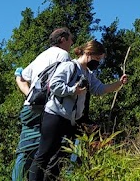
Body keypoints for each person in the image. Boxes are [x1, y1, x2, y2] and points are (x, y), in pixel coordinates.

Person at [29, 40, 127, 181]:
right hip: (54, 116)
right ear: (88, 53)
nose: (98, 63)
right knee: (44, 154)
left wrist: (119, 83)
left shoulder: (88, 73)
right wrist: (72, 90)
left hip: (70, 120)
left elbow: (100, 89)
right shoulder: (69, 66)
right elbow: (54, 85)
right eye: (97, 59)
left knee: (59, 157)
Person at [12, 28, 74, 181]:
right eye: (70, 39)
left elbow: (20, 77)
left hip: (29, 107)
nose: (72, 43)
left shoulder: (42, 55)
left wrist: (29, 95)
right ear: (62, 39)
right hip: (46, 109)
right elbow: (60, 83)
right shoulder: (63, 55)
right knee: (57, 146)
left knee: (25, 149)